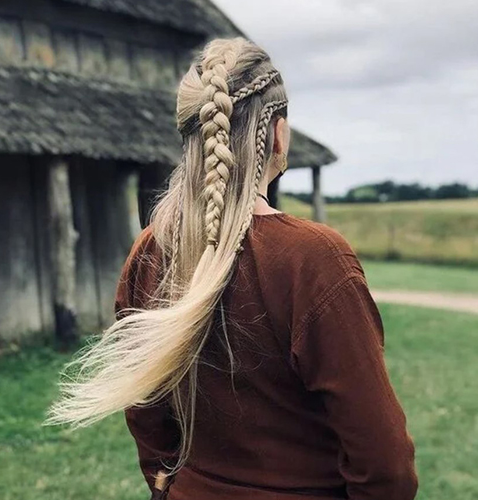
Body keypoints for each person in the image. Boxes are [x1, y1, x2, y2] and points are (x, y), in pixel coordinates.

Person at [44, 37, 418, 500]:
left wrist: (168, 488)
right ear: (279, 134)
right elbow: (385, 462)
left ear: (191, 136)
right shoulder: (313, 257)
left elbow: (146, 411)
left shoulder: (151, 250)